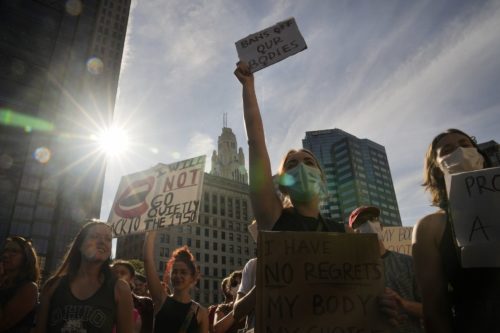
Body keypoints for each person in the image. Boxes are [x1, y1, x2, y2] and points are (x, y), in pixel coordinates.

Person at [234, 61, 399, 327]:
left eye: (309, 162)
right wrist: (248, 88)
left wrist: (385, 301)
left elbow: (361, 290)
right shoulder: (274, 219)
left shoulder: (343, 233)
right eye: (292, 164)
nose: (301, 167)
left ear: (322, 178)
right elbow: (256, 142)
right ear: (283, 183)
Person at [412, 128, 499, 333]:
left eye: (465, 144)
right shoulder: (430, 227)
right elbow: (434, 309)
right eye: (448, 149)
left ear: (480, 154)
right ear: (436, 169)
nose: (459, 151)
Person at [34, 220, 134, 333]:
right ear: (79, 245)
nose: (102, 242)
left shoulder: (120, 289)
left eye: (108, 239)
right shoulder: (52, 286)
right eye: (95, 236)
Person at [350, 206, 423, 332]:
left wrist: (403, 304)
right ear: (353, 233)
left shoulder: (408, 262)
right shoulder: (350, 272)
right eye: (361, 222)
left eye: (373, 219)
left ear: (381, 225)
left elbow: (431, 309)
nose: (368, 224)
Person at [143, 232, 208, 333]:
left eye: (183, 272)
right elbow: (147, 260)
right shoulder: (161, 298)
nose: (178, 276)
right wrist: (151, 232)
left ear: (192, 277)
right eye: (175, 272)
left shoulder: (201, 312)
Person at [0, 236, 40, 332]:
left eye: (14, 251)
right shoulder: (3, 284)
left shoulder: (29, 288)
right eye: (5, 251)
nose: (6, 255)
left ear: (26, 257)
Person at [112, 260, 154, 333]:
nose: (118, 276)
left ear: (132, 278)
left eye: (122, 273)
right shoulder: (103, 301)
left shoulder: (145, 303)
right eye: (114, 273)